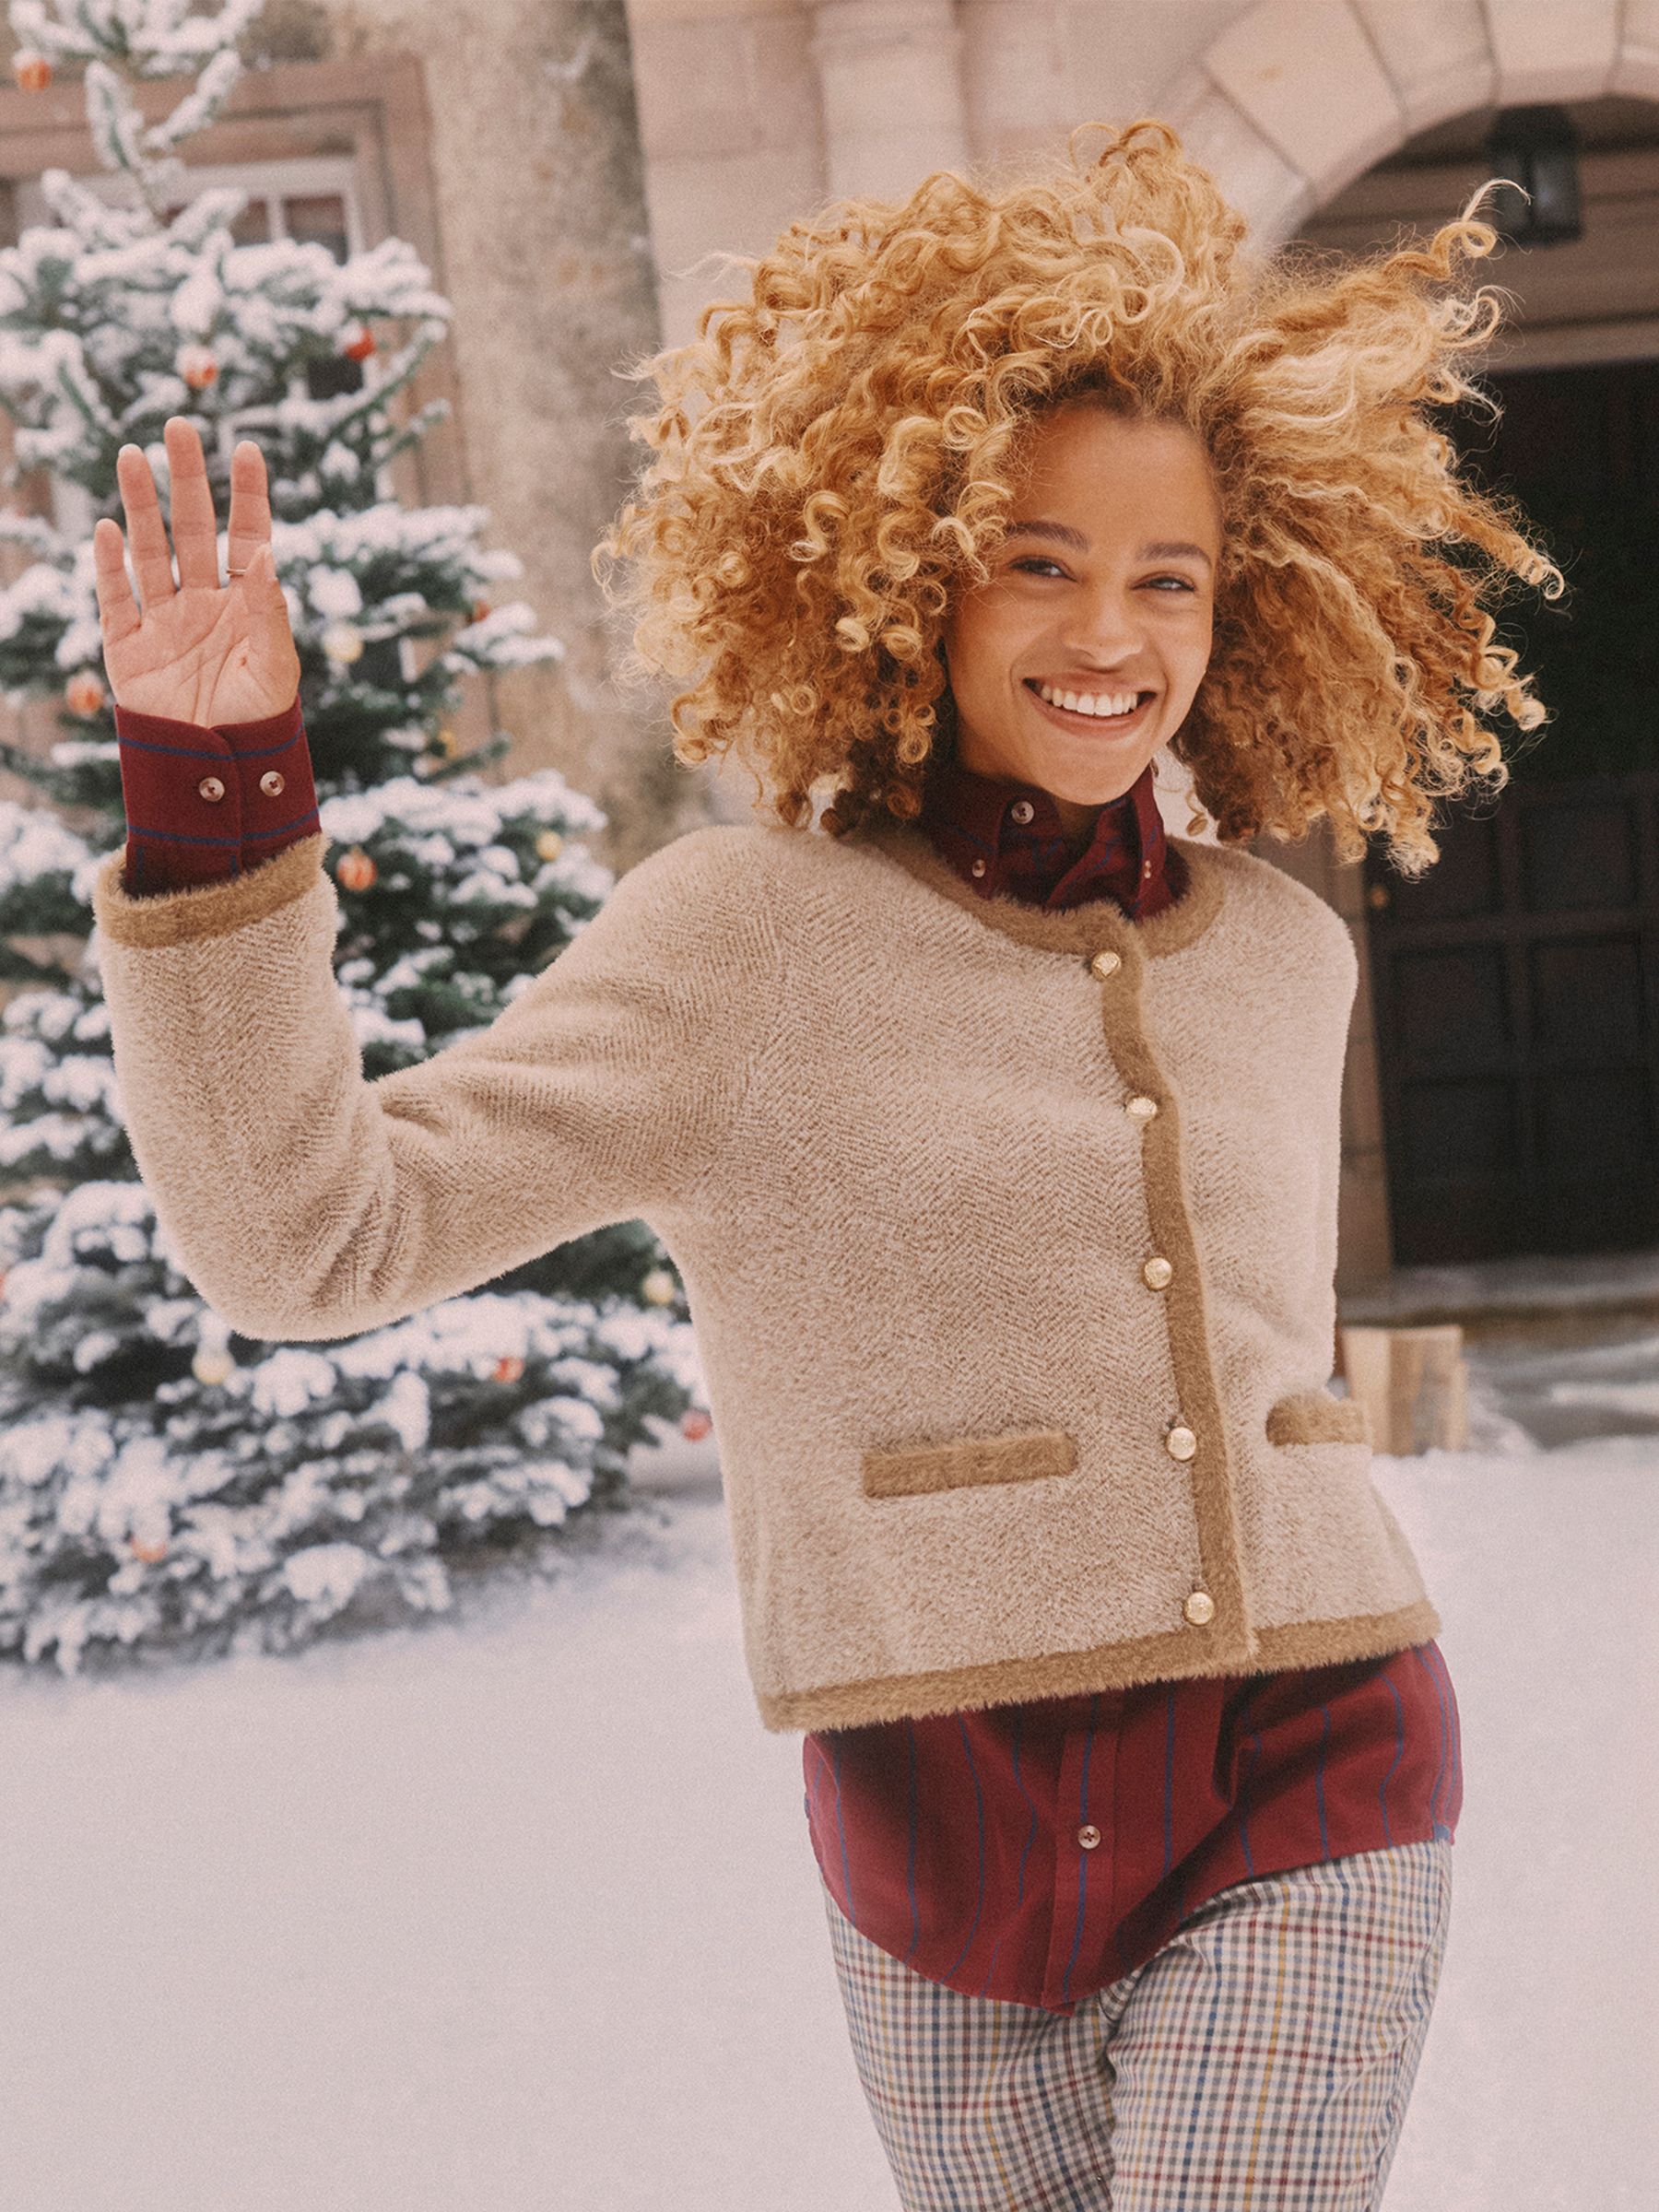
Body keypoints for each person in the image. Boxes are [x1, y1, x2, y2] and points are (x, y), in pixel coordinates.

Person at [91, 119, 1554, 2211]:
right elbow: (308, 1239)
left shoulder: (1282, 958)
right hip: (943, 1857)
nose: (1111, 633)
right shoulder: (735, 946)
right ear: (904, 566)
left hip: (1310, 1768)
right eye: (1039, 559)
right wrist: (221, 807)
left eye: (1173, 578)